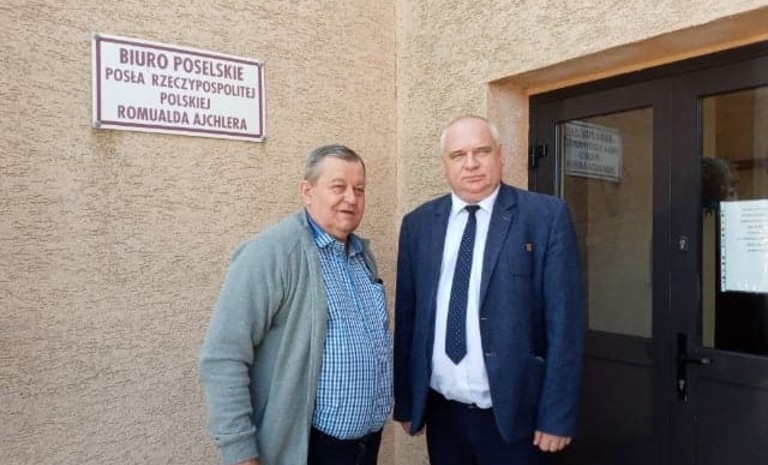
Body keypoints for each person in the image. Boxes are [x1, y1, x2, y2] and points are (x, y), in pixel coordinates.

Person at [393, 116, 586, 465]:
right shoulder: (418, 224)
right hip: (443, 415)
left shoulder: (545, 217)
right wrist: (407, 401)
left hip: (516, 420)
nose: (470, 163)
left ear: (501, 155)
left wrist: (557, 416)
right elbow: (408, 319)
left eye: (481, 151)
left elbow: (566, 325)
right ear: (445, 163)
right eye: (458, 154)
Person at [199, 144, 393, 465]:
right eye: (338, 187)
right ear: (307, 191)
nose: (351, 198)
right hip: (306, 449)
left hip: (365, 447)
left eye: (359, 189)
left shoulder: (361, 256)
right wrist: (240, 452)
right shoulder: (272, 254)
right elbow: (223, 356)